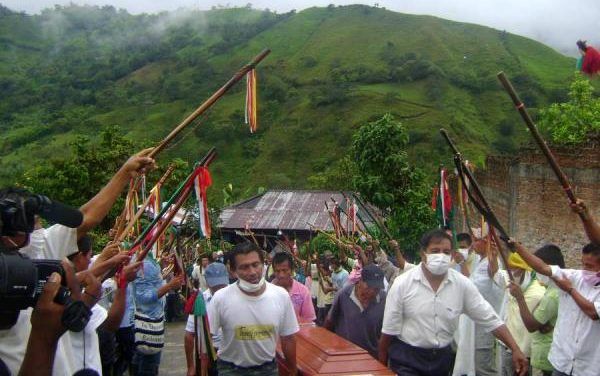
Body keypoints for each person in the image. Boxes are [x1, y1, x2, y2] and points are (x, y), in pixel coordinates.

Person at [379, 229, 529, 376]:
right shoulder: (402, 284)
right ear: (423, 254)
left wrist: (515, 348)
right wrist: (380, 367)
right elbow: (388, 332)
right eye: (435, 251)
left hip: (441, 360)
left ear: (452, 254)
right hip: (408, 359)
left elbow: (490, 319)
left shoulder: (462, 285)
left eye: (446, 252)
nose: (441, 256)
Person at [509, 238, 600, 376]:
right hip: (561, 362)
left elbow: (593, 312)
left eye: (589, 266)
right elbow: (543, 267)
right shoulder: (574, 276)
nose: (584, 270)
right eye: (583, 264)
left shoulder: (569, 285)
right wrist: (518, 248)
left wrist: (570, 290)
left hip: (588, 367)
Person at [208, 242, 299, 375]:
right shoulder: (220, 298)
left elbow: (288, 338)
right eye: (244, 267)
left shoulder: (280, 296)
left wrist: (292, 370)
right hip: (230, 370)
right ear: (233, 271)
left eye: (255, 265)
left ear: (263, 265)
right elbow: (207, 337)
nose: (252, 272)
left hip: (268, 369)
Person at [509, 245, 565, 376]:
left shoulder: (553, 294)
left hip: (546, 358)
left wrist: (520, 298)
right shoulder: (554, 289)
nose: (536, 272)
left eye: (537, 268)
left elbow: (531, 325)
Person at [131, 252, 184, 376]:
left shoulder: (147, 260)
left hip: (153, 322)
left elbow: (153, 283)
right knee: (147, 367)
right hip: (147, 325)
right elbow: (144, 297)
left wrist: (160, 266)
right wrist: (170, 286)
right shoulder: (143, 263)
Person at [324, 264, 386, 358]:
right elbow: (329, 322)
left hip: (371, 357)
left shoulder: (384, 299)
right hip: (345, 355)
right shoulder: (344, 295)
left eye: (376, 289)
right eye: (369, 287)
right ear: (360, 281)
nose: (372, 291)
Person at [501, 252, 546, 376]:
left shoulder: (538, 293)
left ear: (522, 270)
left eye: (513, 269)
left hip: (526, 355)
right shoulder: (511, 286)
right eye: (508, 268)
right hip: (507, 348)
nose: (509, 273)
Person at [185, 262, 230, 376]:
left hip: (232, 355)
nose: (219, 288)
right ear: (207, 282)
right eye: (215, 285)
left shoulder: (237, 297)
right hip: (208, 356)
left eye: (222, 285)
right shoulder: (200, 300)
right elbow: (189, 335)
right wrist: (191, 366)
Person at [271, 252, 316, 323]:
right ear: (274, 271)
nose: (281, 275)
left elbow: (309, 321)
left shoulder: (303, 291)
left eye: (285, 270)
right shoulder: (267, 292)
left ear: (292, 270)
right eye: (278, 271)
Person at [315, 259, 335, 326]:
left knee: (325, 320)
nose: (321, 271)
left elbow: (327, 289)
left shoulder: (331, 276)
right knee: (320, 319)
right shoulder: (324, 275)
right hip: (323, 301)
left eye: (323, 269)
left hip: (328, 301)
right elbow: (319, 269)